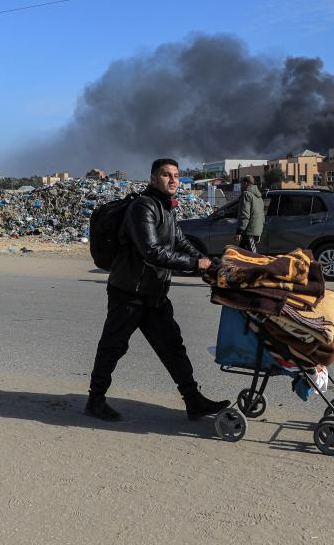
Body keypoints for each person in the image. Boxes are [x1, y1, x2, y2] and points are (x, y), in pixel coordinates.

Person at [85, 158, 231, 422]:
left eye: (176, 175)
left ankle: (193, 400)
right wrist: (195, 264)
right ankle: (95, 400)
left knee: (172, 346)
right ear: (153, 179)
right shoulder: (143, 207)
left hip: (153, 293)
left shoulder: (166, 207)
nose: (173, 180)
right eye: (166, 175)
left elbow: (180, 242)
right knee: (113, 346)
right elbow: (151, 251)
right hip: (129, 292)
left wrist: (207, 261)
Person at [235, 175, 265, 251]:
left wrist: (239, 231)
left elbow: (244, 214)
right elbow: (261, 213)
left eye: (241, 183)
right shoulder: (258, 196)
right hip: (256, 229)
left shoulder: (246, 194)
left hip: (249, 230)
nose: (241, 185)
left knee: (252, 254)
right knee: (241, 253)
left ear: (246, 183)